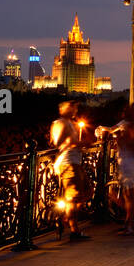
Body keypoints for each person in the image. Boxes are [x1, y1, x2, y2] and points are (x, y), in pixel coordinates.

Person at [49, 100, 95, 242]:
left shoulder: (69, 123)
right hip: (68, 163)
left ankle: (66, 218)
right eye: (71, 107)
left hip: (75, 162)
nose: (75, 110)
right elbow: (58, 142)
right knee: (73, 198)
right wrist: (81, 143)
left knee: (87, 192)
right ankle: (74, 230)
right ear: (62, 109)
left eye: (75, 108)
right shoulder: (60, 123)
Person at [108, 103, 134, 236]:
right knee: (133, 196)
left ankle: (131, 225)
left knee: (130, 196)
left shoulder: (130, 126)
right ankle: (131, 223)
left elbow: (130, 143)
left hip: (131, 163)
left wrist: (120, 138)